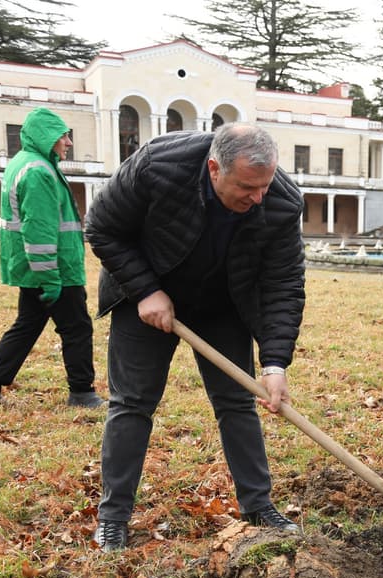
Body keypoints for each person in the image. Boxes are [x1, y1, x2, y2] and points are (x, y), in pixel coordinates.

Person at [85, 123, 305, 551]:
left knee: (238, 402)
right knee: (132, 404)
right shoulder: (158, 165)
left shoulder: (281, 200)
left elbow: (283, 284)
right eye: (246, 187)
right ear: (213, 168)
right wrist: (146, 290)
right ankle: (113, 518)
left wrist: (275, 363)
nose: (258, 197)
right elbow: (102, 227)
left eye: (264, 186)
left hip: (224, 302)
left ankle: (258, 505)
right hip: (145, 292)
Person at [0, 108, 103, 409]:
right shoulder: (39, 172)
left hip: (36, 269)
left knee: (27, 324)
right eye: (62, 136)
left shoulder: (25, 164)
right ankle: (82, 392)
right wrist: (51, 279)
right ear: (46, 137)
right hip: (55, 270)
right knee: (76, 327)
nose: (68, 142)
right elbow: (39, 231)